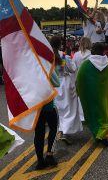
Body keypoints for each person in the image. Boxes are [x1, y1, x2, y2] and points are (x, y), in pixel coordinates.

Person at [76, 43, 108, 146]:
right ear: (103, 52)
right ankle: (103, 134)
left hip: (91, 96)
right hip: (106, 95)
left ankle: (99, 134)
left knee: (93, 114)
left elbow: (79, 80)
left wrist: (79, 92)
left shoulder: (85, 65)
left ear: (92, 51)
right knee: (105, 114)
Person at [34, 37, 61, 170]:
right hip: (49, 104)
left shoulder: (30, 67)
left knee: (38, 133)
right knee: (54, 128)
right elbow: (57, 82)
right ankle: (49, 154)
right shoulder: (46, 65)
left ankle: (40, 161)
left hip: (36, 105)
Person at [54, 37, 83, 144]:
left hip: (54, 84)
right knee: (69, 109)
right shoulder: (64, 56)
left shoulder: (48, 56)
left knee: (59, 109)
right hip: (65, 83)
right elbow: (73, 69)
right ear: (60, 44)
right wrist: (67, 57)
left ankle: (60, 130)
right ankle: (64, 131)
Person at [73, 37, 92, 122]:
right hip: (88, 79)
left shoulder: (76, 55)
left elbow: (73, 68)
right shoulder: (91, 55)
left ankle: (81, 116)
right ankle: (88, 115)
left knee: (79, 98)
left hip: (78, 78)